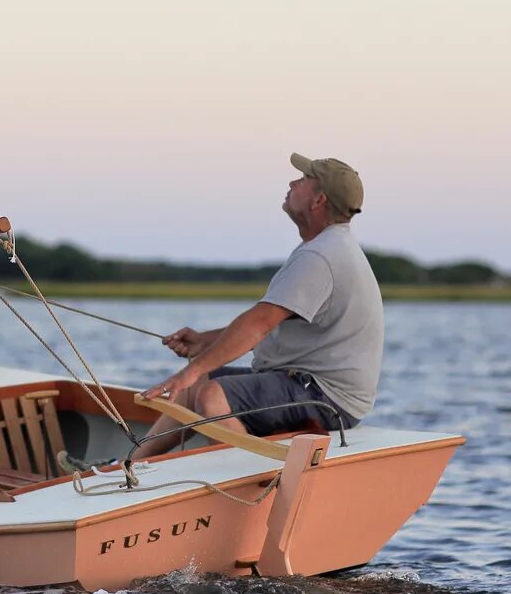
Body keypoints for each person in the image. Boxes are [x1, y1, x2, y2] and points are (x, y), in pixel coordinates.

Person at [130, 153, 383, 460]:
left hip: (329, 399)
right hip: (306, 384)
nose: (292, 182)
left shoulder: (320, 257)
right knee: (200, 382)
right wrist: (205, 342)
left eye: (303, 180)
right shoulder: (325, 247)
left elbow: (259, 323)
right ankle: (130, 465)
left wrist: (192, 370)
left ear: (318, 200)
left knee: (211, 394)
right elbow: (271, 320)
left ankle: (255, 481)